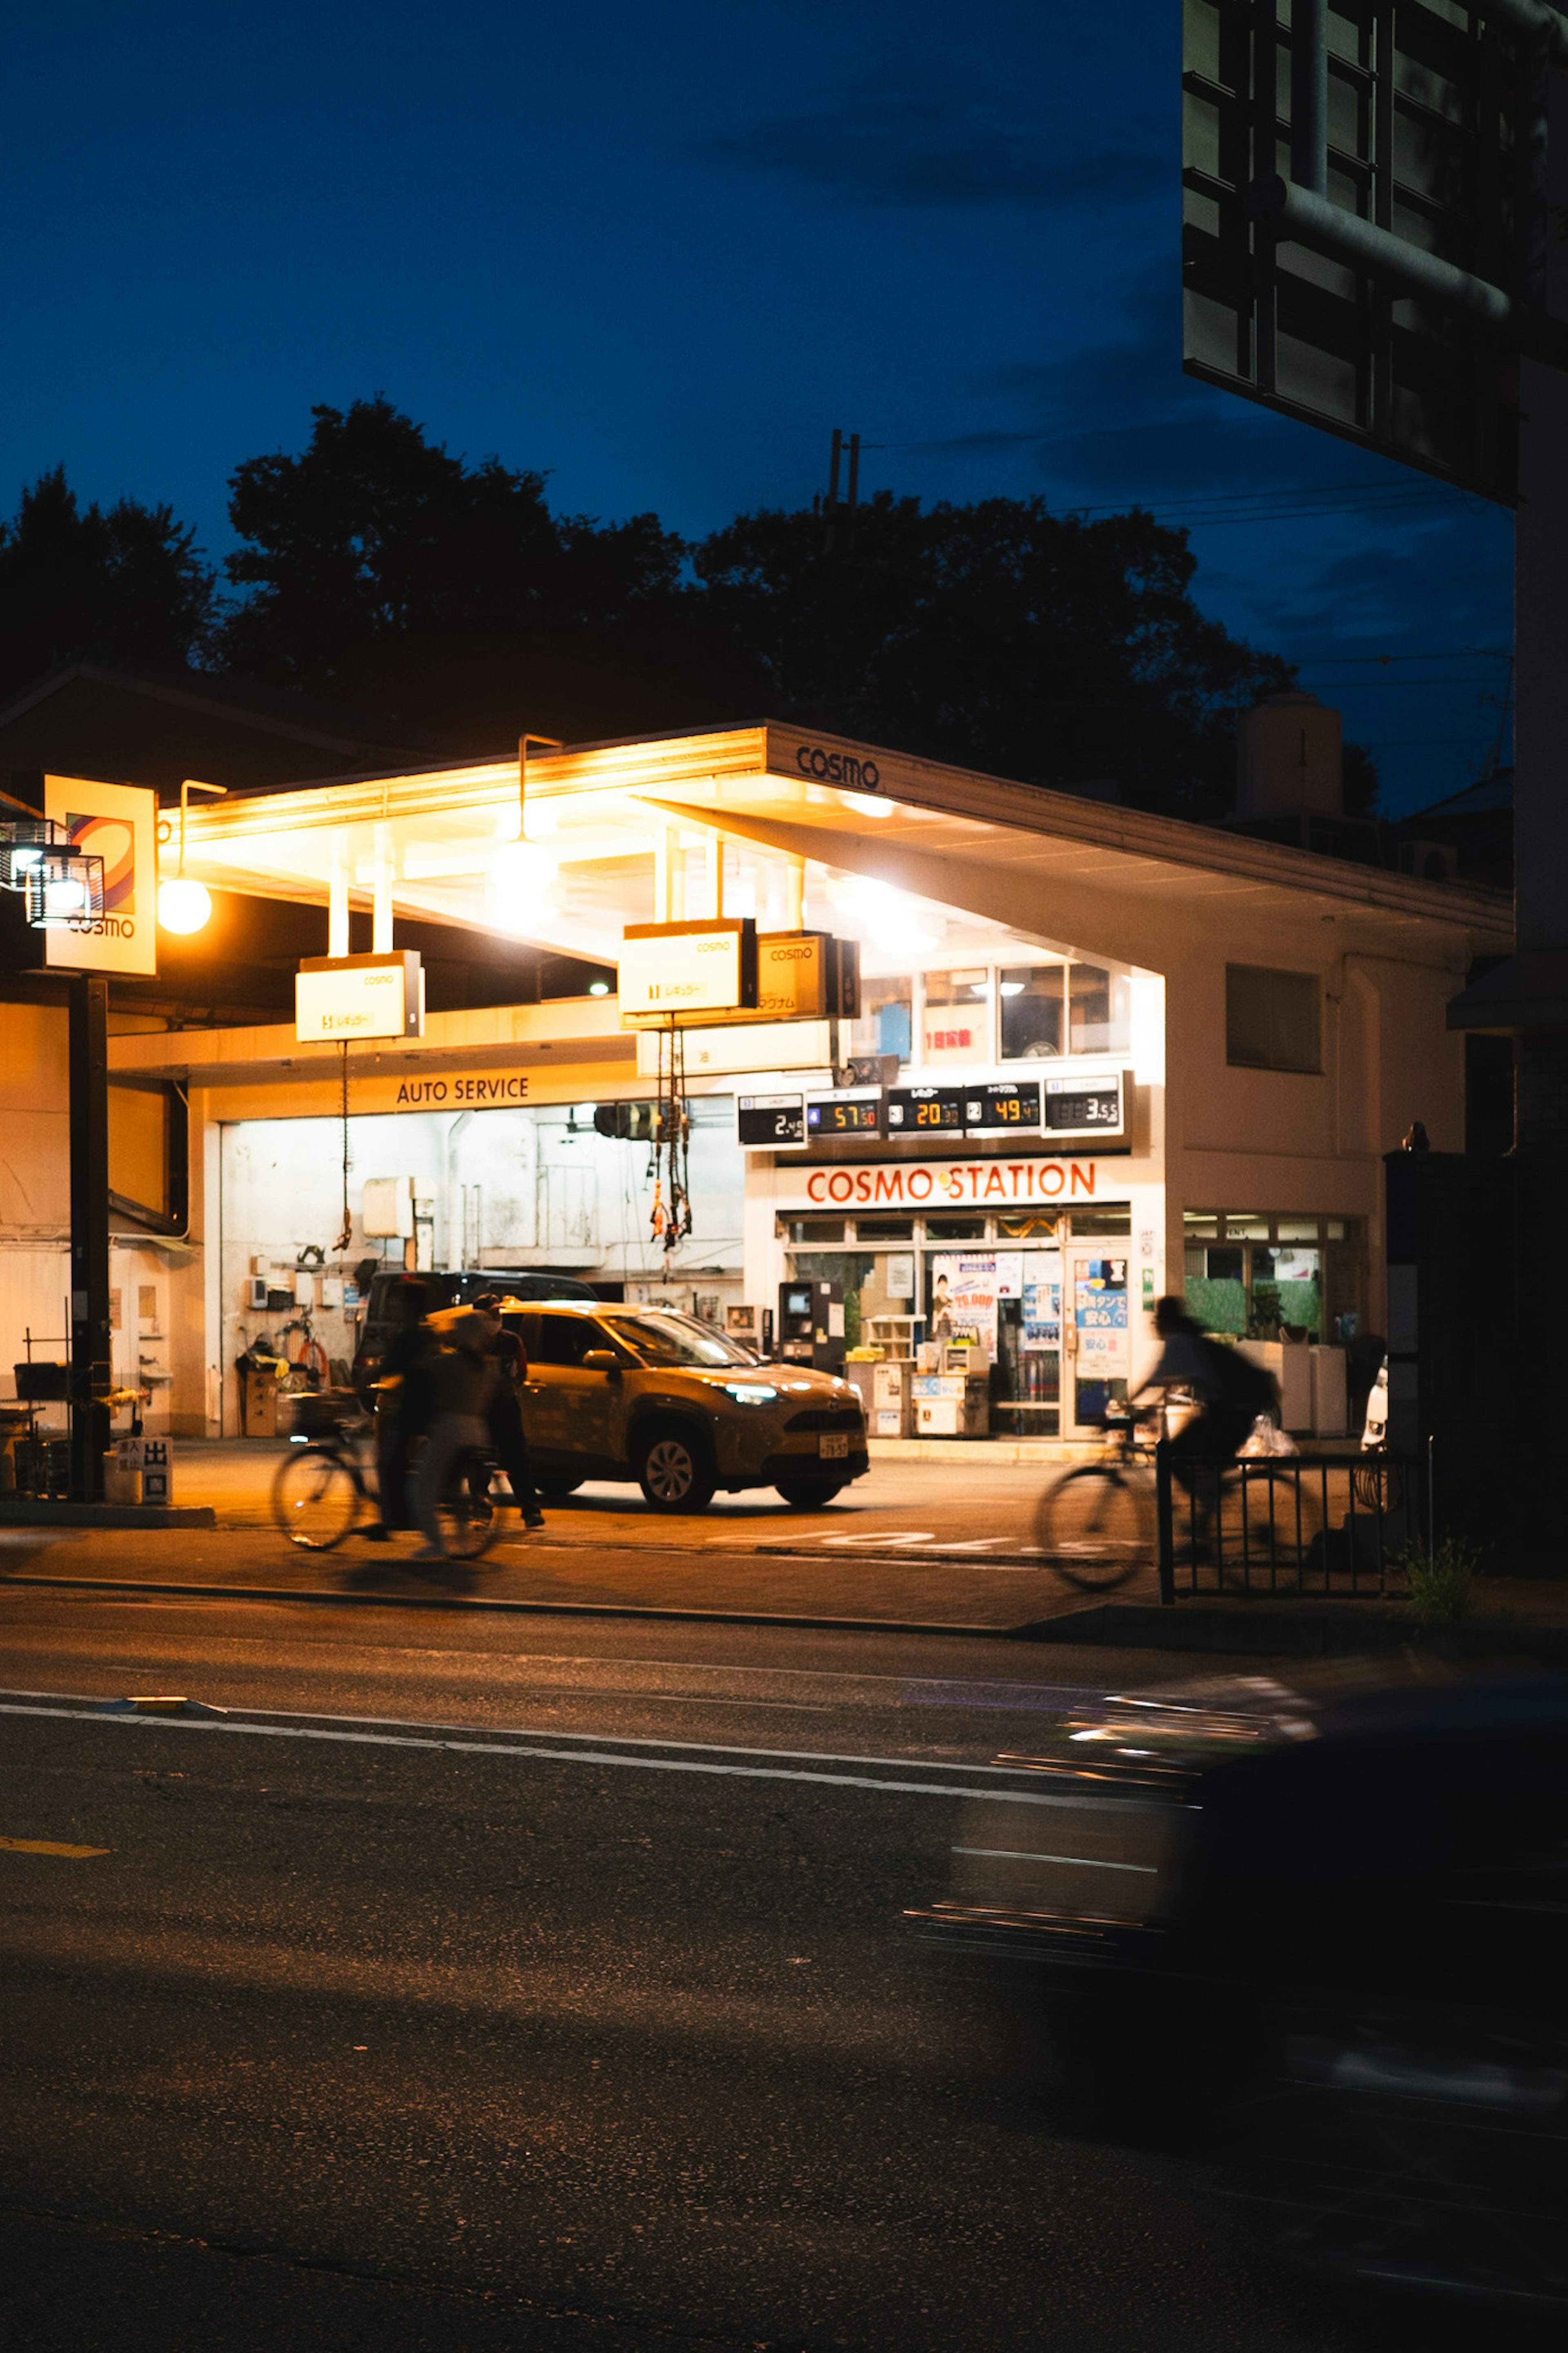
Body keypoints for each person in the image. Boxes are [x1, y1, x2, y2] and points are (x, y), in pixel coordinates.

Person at [1132, 1296, 1279, 1547]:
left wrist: (1127, 1411)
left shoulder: (1179, 1342)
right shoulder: (1186, 1339)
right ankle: (1204, 1523)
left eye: (1156, 1319)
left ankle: (1204, 1525)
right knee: (1193, 1462)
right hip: (1229, 1409)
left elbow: (1154, 1382)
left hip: (1232, 1411)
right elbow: (1161, 1382)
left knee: (1176, 1457)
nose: (1153, 1325)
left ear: (1165, 1321)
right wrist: (1135, 1409)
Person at [408, 1301, 505, 1560]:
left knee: (423, 1487)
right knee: (457, 1485)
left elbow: (421, 1368)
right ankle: (462, 1537)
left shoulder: (450, 1362)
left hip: (451, 1428)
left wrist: (437, 1339)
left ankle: (436, 1543)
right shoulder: (490, 1365)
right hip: (478, 1428)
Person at [362, 1276, 438, 1541]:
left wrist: (368, 1375)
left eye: (398, 1301)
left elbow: (391, 1364)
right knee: (397, 1460)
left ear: (409, 1305)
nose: (394, 1306)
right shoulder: (429, 1332)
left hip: (414, 1410)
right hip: (426, 1407)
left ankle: (394, 1519)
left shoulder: (410, 1334)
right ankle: (393, 1516)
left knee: (388, 1462)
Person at [469, 1291, 545, 1532]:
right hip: (480, 1409)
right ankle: (481, 1511)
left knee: (517, 1458)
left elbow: (522, 1372)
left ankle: (531, 1510)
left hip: (506, 1407)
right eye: (493, 1313)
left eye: (498, 1312)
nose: (498, 1316)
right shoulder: (471, 1344)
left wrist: (510, 1388)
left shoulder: (512, 1341)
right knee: (480, 1461)